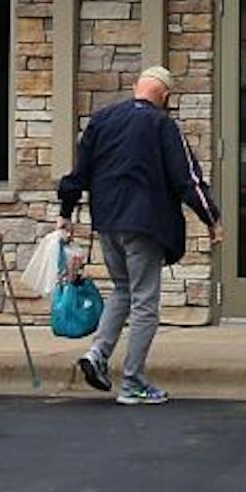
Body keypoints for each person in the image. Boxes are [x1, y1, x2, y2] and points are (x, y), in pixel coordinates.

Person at [58, 65, 221, 406]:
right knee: (145, 301)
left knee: (122, 289)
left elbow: (79, 172)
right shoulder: (162, 124)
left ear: (136, 87)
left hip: (107, 221)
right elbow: (186, 178)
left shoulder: (102, 120)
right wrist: (211, 218)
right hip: (145, 223)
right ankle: (132, 382)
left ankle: (98, 353)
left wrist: (65, 214)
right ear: (164, 96)